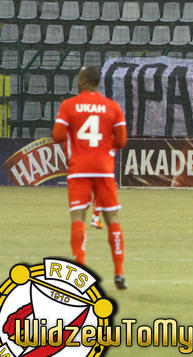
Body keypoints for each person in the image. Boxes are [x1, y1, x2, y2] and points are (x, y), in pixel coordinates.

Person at [51, 67, 128, 289]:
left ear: (83, 81)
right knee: (112, 219)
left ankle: (80, 270)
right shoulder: (112, 107)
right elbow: (121, 141)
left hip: (80, 168)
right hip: (103, 168)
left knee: (78, 217)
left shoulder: (69, 105)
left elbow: (57, 136)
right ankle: (119, 272)